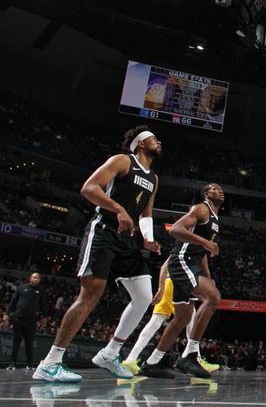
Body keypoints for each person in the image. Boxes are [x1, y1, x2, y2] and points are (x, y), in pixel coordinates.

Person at [33, 126, 162, 383]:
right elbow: (89, 188)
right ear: (140, 143)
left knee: (144, 296)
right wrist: (118, 210)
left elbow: (146, 212)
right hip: (103, 231)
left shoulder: (154, 178)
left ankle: (110, 353)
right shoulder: (122, 160)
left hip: (128, 241)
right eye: (153, 138)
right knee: (90, 295)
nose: (158, 142)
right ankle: (50, 362)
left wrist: (148, 239)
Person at [139, 183, 224, 379]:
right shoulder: (201, 208)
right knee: (213, 298)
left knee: (182, 319)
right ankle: (190, 355)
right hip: (182, 262)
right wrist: (205, 242)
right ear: (205, 194)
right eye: (213, 188)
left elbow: (202, 252)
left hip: (192, 264)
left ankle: (151, 363)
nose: (219, 191)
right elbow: (175, 229)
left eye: (220, 189)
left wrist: (208, 276)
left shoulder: (215, 218)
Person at [121, 258, 219, 375]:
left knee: (154, 323)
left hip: (167, 282)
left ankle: (130, 359)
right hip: (179, 283)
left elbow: (163, 267)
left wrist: (161, 289)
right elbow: (205, 270)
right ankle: (196, 359)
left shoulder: (179, 250)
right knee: (191, 319)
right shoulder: (197, 247)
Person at [7, 272, 47, 370]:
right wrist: (7, 314)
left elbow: (44, 305)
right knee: (16, 341)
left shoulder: (41, 290)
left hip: (31, 320)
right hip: (18, 318)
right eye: (34, 277)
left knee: (29, 342)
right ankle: (12, 364)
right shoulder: (21, 288)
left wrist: (45, 317)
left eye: (38, 278)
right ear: (30, 278)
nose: (36, 279)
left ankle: (29, 364)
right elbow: (13, 301)